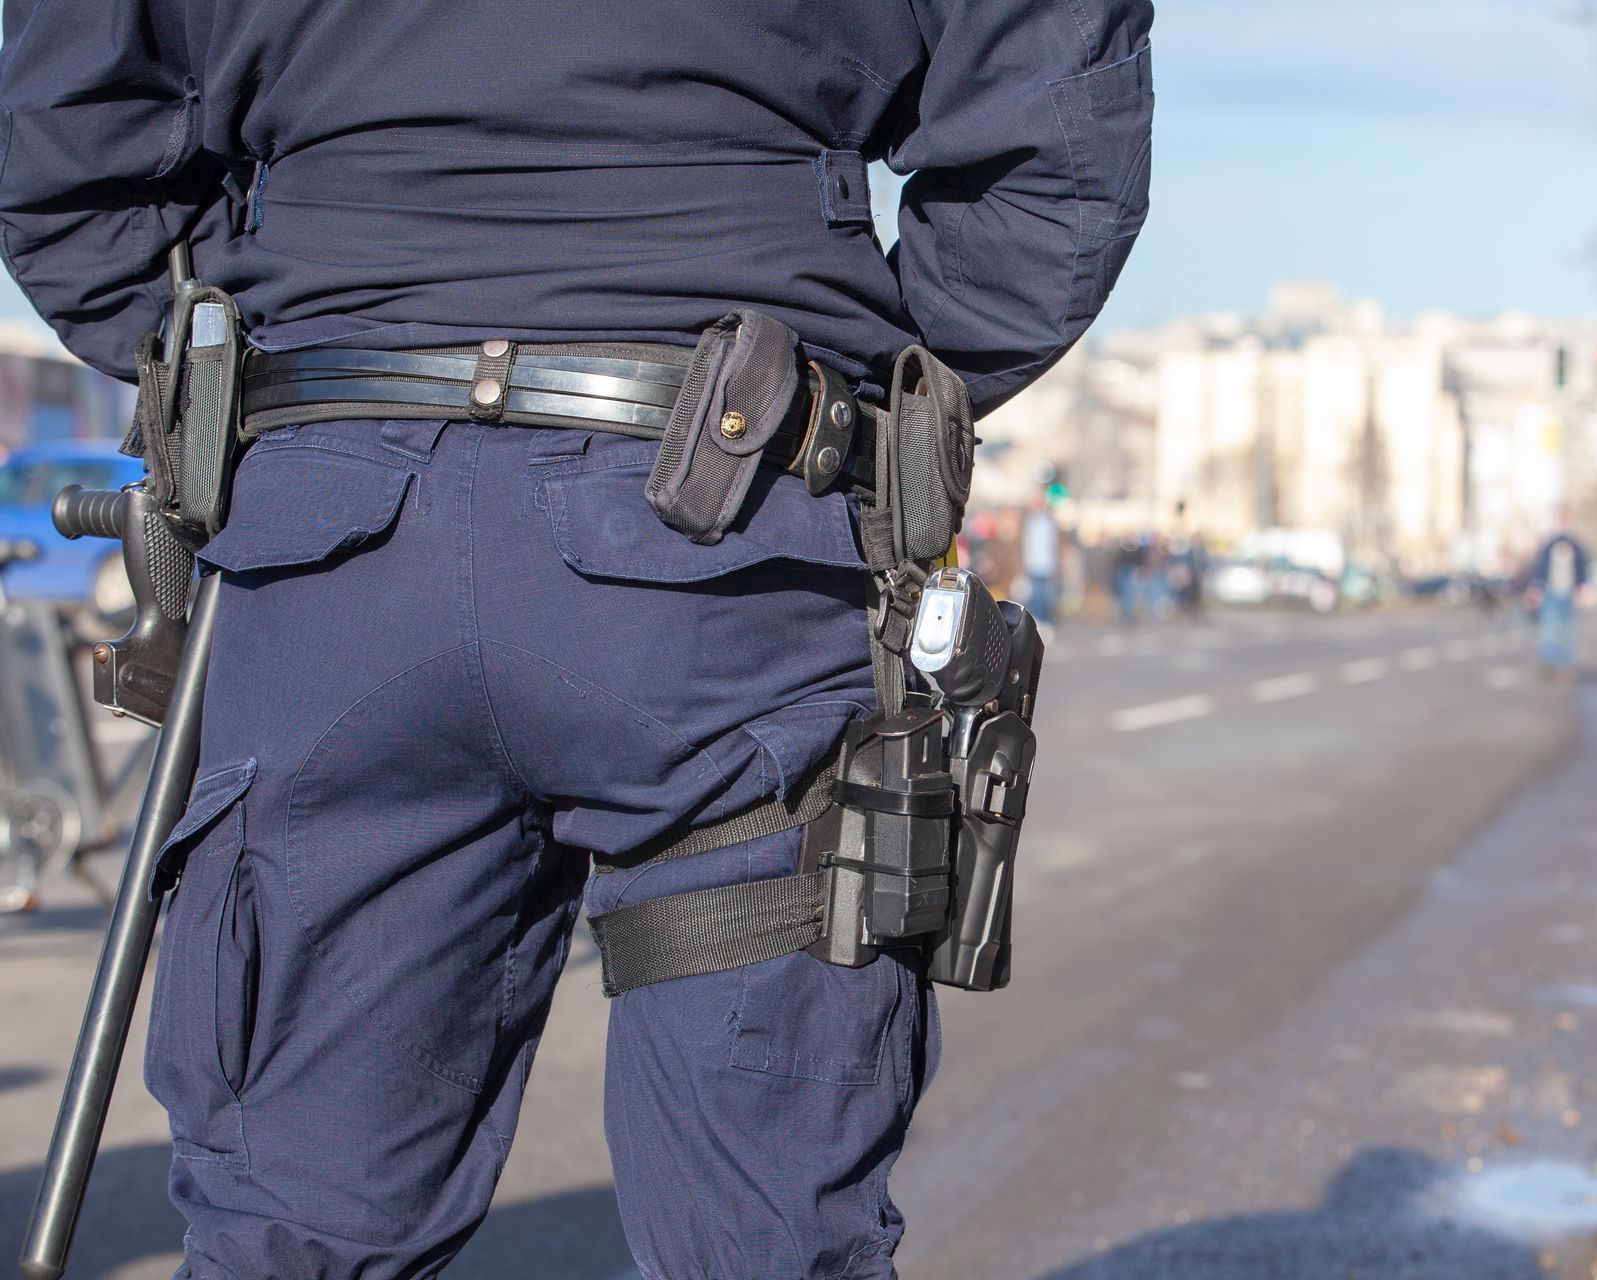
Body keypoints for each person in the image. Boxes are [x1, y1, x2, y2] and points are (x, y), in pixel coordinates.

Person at [0, 2, 1154, 1276]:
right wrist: (858, 396)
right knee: (761, 1238)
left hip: (336, 544)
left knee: (296, 1232)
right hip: (726, 538)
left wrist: (268, 360)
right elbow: (1052, 137)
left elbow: (67, 146)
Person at [1530, 516, 1589, 676]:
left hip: (1568, 593)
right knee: (1549, 628)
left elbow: (1582, 570)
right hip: (1551, 592)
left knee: (1567, 629)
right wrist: (1537, 588)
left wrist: (1582, 587)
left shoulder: (1576, 547)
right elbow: (1540, 569)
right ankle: (1550, 661)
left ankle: (1565, 662)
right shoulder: (1549, 547)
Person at [1021, 497, 1060, 627]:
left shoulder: (1048, 523)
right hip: (1034, 564)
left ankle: (1046, 620)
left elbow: (1052, 545)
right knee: (1036, 595)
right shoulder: (1030, 523)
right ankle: (1039, 620)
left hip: (1045, 564)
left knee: (1044, 595)